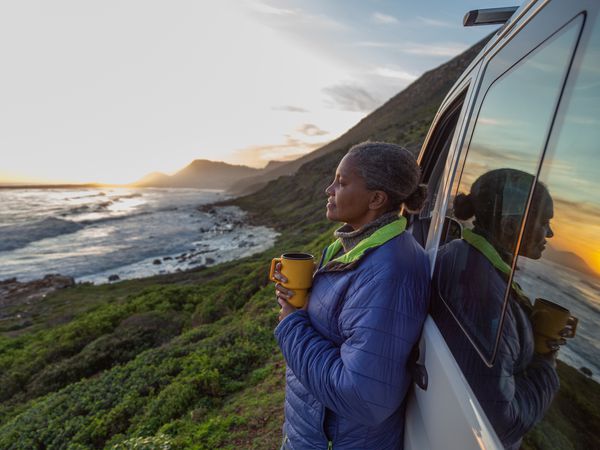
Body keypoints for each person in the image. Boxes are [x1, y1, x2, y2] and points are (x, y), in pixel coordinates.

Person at [273, 141, 430, 449]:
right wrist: (301, 303)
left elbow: (362, 397)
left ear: (376, 199)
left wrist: (291, 323)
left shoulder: (389, 271)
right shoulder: (348, 249)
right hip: (312, 433)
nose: (328, 190)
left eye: (342, 182)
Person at [431, 168, 560, 450]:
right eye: (545, 222)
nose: (550, 232)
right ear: (510, 226)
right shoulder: (482, 293)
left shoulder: (462, 255)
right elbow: (499, 421)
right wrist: (546, 366)